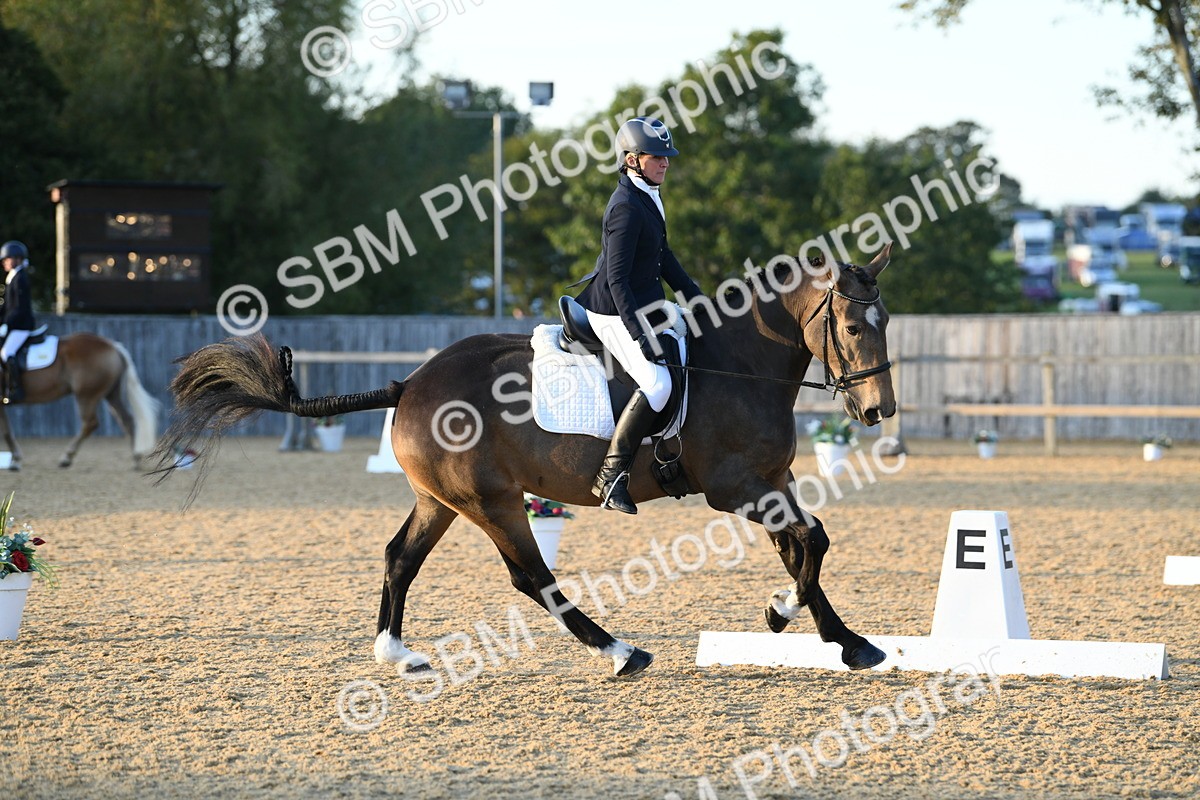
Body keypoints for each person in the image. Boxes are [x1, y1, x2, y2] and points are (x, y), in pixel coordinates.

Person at [574, 117, 704, 514]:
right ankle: (610, 476)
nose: (665, 163)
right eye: (657, 157)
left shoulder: (648, 194)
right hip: (613, 310)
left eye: (667, 156)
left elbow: (664, 257)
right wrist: (639, 334)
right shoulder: (626, 208)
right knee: (657, 384)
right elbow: (616, 280)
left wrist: (697, 299)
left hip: (643, 303)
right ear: (632, 159)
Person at [0, 240, 36, 404]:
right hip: (14, 325)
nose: (4, 262)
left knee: (6, 353)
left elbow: (19, 308)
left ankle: (16, 389)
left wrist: (6, 324)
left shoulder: (20, 278)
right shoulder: (12, 278)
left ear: (17, 259)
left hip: (21, 326)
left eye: (7, 259)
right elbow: (6, 306)